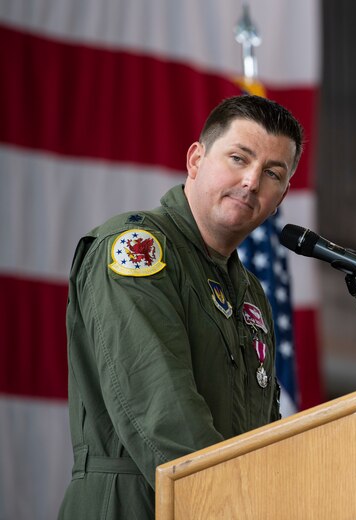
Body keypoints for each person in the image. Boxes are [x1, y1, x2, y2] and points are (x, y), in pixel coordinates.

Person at [58, 95, 304, 519]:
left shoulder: (250, 293)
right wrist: (232, 506)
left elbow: (264, 429)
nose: (251, 181)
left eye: (272, 173)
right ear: (195, 160)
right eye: (238, 158)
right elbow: (160, 410)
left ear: (281, 196)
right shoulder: (137, 249)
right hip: (133, 504)